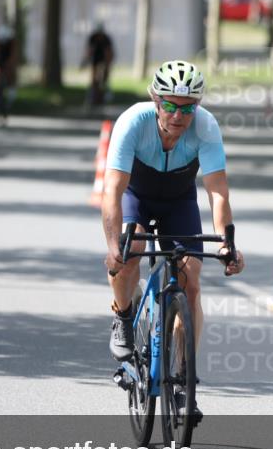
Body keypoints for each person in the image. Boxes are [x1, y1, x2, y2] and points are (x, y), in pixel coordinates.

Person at [102, 60, 245, 415]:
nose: (178, 115)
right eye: (169, 105)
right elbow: (112, 191)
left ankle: (183, 375)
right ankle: (122, 315)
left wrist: (227, 242)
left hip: (179, 201)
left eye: (187, 108)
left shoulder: (206, 127)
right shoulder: (132, 123)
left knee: (191, 279)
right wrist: (111, 247)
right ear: (155, 101)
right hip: (137, 195)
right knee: (130, 249)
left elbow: (218, 192)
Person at [83, 23, 114, 107]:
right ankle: (93, 95)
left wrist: (108, 64)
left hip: (103, 60)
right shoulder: (93, 38)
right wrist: (86, 60)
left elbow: (109, 52)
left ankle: (104, 94)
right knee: (94, 78)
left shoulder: (106, 39)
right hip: (95, 60)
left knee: (104, 78)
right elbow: (89, 50)